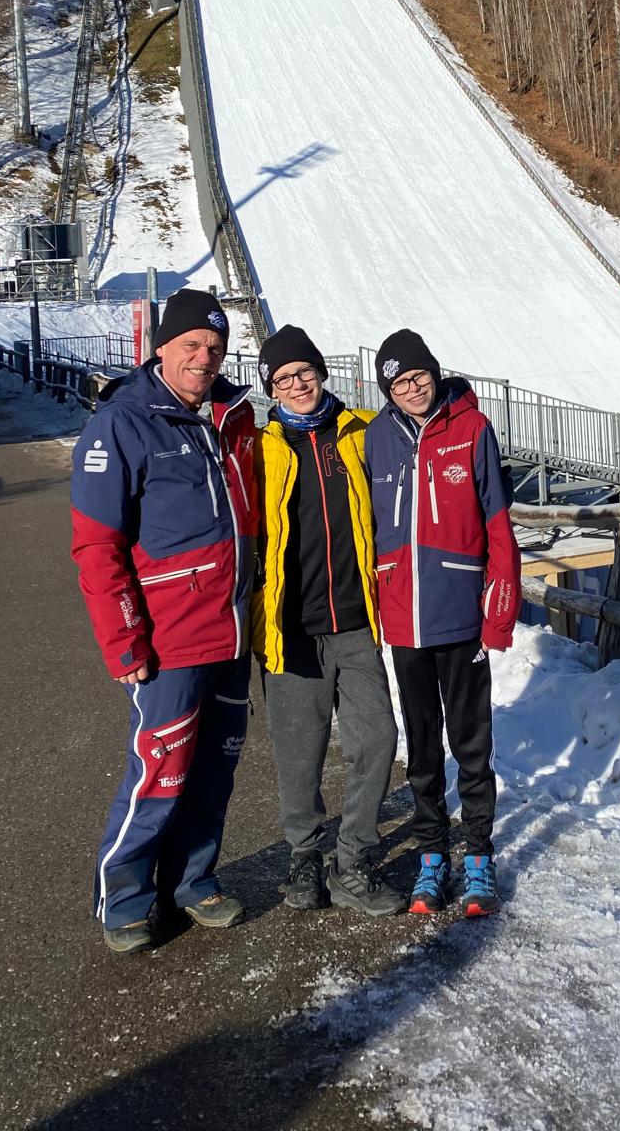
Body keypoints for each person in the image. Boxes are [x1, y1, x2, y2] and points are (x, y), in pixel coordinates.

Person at [71, 289, 258, 954]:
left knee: (215, 772)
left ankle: (191, 881)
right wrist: (124, 640)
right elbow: (97, 545)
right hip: (170, 638)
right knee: (160, 772)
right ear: (162, 348)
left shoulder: (234, 417)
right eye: (192, 345)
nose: (204, 358)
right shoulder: (122, 424)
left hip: (232, 634)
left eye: (215, 348)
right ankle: (125, 898)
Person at [364, 329, 521, 916]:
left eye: (419, 376)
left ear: (434, 373)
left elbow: (499, 524)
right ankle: (433, 853)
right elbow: (369, 525)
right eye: (399, 383)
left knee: (471, 743)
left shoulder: (472, 429)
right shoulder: (376, 437)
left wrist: (498, 612)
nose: (412, 389)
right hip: (404, 620)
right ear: (387, 391)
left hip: (460, 615)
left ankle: (477, 854)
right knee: (423, 747)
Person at [252, 325, 404, 916]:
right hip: (291, 628)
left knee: (378, 739)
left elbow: (424, 431)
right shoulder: (259, 448)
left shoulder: (362, 432)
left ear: (321, 373)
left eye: (304, 372)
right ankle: (304, 855)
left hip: (356, 625)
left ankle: (353, 859)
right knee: (300, 753)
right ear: (271, 387)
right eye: (283, 378)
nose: (296, 384)